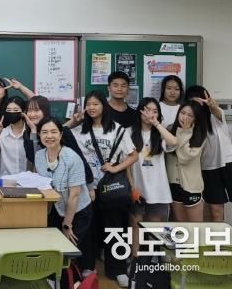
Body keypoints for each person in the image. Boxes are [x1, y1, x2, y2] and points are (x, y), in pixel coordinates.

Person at [72, 90, 138, 287]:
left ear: (104, 106)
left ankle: (118, 270)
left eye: (96, 104)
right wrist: (73, 121)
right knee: (88, 228)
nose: (91, 108)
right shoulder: (79, 131)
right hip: (88, 187)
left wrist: (116, 168)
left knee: (116, 228)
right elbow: (57, 133)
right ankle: (87, 267)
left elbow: (133, 155)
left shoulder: (117, 129)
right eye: (88, 104)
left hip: (112, 186)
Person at [186, 85, 232, 237]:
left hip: (231, 164)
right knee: (216, 212)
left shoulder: (215, 115)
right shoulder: (189, 122)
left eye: (202, 99)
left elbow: (216, 111)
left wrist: (212, 106)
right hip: (208, 169)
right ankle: (218, 249)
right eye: (195, 101)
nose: (200, 104)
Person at [34, 118, 92, 263]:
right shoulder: (39, 156)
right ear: (39, 135)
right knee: (52, 250)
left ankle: (79, 274)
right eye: (44, 132)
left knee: (69, 250)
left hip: (77, 211)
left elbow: (75, 195)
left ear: (60, 135)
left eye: (53, 132)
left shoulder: (72, 158)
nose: (49, 136)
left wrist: (67, 225)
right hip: (55, 208)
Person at [128, 97, 178, 257]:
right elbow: (126, 163)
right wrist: (131, 186)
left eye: (155, 111)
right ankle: (135, 261)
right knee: (135, 224)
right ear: (140, 111)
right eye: (147, 110)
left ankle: (157, 259)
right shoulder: (129, 132)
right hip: (137, 188)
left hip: (158, 189)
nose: (150, 114)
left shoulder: (160, 133)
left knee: (157, 226)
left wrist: (156, 123)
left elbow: (174, 142)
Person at [23, 96, 93, 185]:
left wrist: (89, 185)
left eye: (36, 110)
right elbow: (33, 158)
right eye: (29, 110)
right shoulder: (27, 134)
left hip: (71, 184)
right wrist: (33, 131)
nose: (32, 114)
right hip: (46, 186)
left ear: (45, 111)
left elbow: (79, 158)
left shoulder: (63, 132)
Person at [165, 101, 207, 222]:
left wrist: (185, 132)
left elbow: (184, 157)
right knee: (181, 224)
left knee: (195, 227)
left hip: (191, 185)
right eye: (182, 113)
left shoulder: (200, 134)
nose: (184, 117)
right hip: (173, 183)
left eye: (190, 115)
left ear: (196, 119)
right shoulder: (170, 130)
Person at [0, 96, 28, 176]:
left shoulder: (30, 133)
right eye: (8, 110)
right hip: (6, 179)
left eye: (16, 110)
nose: (12, 112)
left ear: (23, 112)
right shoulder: (2, 133)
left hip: (26, 179)